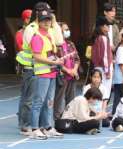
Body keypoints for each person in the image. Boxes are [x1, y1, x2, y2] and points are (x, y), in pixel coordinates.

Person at [16, 2, 63, 136]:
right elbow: (36, 50)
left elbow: (59, 41)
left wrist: (54, 23)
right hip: (32, 66)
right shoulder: (32, 29)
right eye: (47, 13)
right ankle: (26, 126)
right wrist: (50, 60)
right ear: (38, 13)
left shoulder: (49, 29)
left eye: (50, 14)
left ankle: (44, 126)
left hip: (48, 68)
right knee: (30, 99)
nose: (50, 16)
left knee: (46, 100)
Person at [30, 10, 64, 139]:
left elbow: (52, 52)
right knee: (38, 102)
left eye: (49, 20)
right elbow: (37, 56)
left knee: (49, 102)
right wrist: (52, 61)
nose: (47, 22)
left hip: (51, 72)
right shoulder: (37, 36)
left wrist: (57, 60)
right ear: (39, 21)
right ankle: (34, 128)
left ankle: (48, 127)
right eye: (44, 20)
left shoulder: (49, 35)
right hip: (42, 73)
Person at [54, 22, 80, 120]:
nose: (67, 31)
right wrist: (67, 70)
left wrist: (74, 69)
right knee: (59, 100)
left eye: (67, 29)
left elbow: (77, 58)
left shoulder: (70, 44)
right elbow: (56, 61)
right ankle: (57, 119)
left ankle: (68, 118)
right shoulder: (56, 46)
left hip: (72, 76)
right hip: (62, 76)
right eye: (65, 29)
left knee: (71, 100)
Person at [91, 16, 113, 105]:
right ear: (102, 26)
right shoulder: (103, 38)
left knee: (99, 89)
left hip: (98, 67)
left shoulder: (97, 37)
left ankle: (98, 111)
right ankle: (102, 112)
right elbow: (104, 56)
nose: (108, 28)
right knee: (105, 91)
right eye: (107, 25)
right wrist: (107, 71)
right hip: (104, 69)